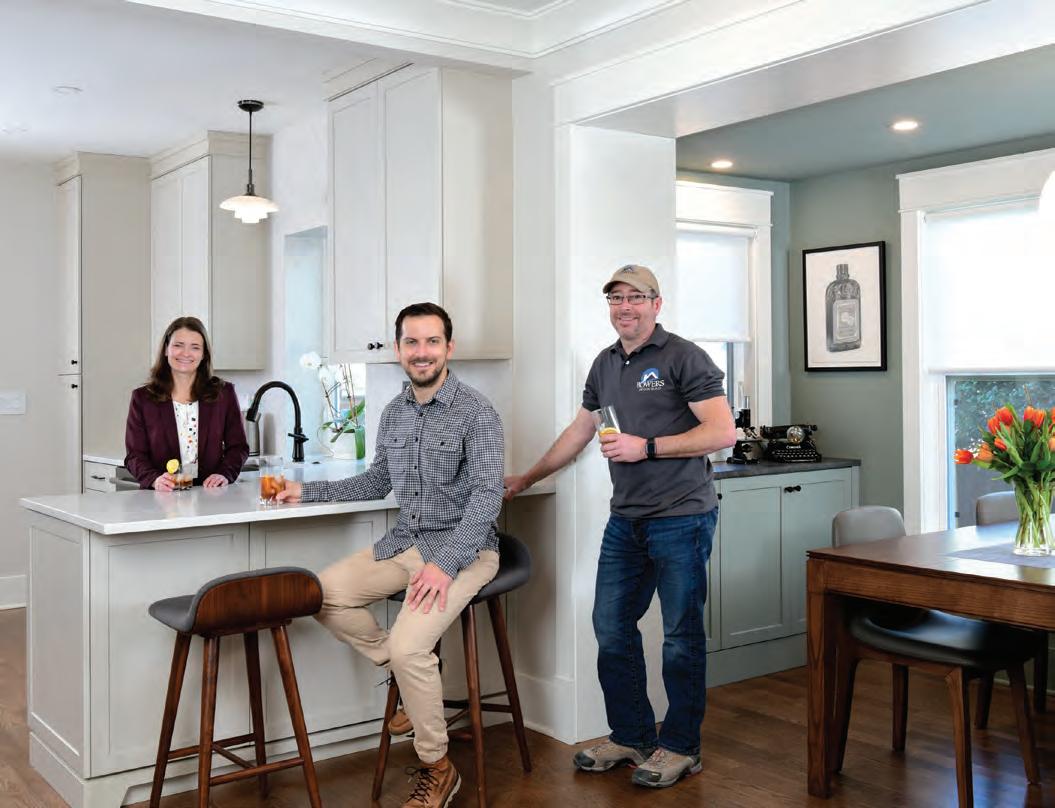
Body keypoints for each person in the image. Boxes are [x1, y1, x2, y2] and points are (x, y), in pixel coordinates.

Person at [504, 264, 736, 789]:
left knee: (679, 637)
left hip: (682, 517)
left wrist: (645, 447)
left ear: (657, 304)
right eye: (615, 298)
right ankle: (632, 735)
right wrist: (528, 477)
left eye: (636, 297)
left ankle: (682, 747)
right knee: (610, 627)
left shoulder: (684, 357)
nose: (624, 307)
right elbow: (581, 429)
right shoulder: (606, 363)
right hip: (627, 520)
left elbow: (723, 432)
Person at [277, 302, 504, 808]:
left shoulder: (477, 412)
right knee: (320, 594)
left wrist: (445, 564)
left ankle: (438, 766)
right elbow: (377, 480)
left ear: (449, 347)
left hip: (465, 551)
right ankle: (405, 673)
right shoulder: (394, 412)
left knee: (409, 648)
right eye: (411, 342)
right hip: (407, 543)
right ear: (399, 348)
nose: (421, 352)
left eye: (431, 341)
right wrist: (307, 492)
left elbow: (488, 498)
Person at [124, 316, 249, 491]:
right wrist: (154, 479)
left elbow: (238, 447)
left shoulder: (223, 394)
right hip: (162, 497)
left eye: (195, 347)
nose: (186, 353)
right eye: (178, 345)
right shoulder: (143, 398)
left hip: (211, 496)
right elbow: (135, 455)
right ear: (166, 349)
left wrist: (224, 474)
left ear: (204, 354)